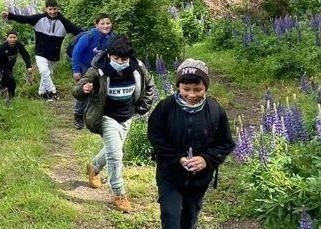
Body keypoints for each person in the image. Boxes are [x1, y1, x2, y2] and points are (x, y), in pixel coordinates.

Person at [72, 37, 156, 213]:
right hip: (106, 117)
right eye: (116, 59)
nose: (120, 62)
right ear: (109, 55)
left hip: (127, 116)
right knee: (116, 155)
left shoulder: (138, 68)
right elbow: (77, 89)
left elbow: (150, 85)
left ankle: (94, 167)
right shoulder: (98, 70)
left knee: (112, 150)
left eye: (123, 60)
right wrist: (84, 89)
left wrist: (143, 106)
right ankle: (119, 193)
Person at [148, 59, 235, 229]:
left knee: (189, 220)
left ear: (206, 88)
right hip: (170, 175)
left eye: (198, 89)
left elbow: (225, 143)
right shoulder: (165, 107)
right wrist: (178, 158)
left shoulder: (215, 111)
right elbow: (156, 136)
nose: (192, 95)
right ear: (178, 87)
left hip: (199, 179)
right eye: (186, 89)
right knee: (171, 217)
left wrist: (206, 159)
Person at [3, 0, 82, 101]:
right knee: (44, 72)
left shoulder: (64, 22)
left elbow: (78, 31)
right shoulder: (38, 19)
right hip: (40, 52)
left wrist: (91, 36)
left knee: (48, 73)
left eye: (54, 9)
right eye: (50, 9)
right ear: (46, 9)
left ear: (57, 9)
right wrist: (10, 16)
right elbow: (24, 19)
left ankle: (41, 93)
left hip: (54, 54)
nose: (52, 12)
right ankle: (53, 93)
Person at [70, 13, 117, 129]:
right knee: (85, 90)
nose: (106, 26)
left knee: (100, 90)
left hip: (101, 67)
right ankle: (78, 115)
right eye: (102, 23)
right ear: (96, 24)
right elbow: (76, 52)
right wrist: (76, 70)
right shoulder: (89, 36)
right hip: (85, 66)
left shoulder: (112, 37)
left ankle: (97, 116)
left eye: (108, 23)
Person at [0, 30, 33, 99]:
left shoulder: (18, 45)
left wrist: (28, 66)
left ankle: (5, 96)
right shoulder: (2, 47)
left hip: (10, 67)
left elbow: (25, 55)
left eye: (14, 37)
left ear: (17, 38)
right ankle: (10, 98)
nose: (12, 39)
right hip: (2, 67)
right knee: (12, 82)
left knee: (7, 84)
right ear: (7, 38)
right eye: (10, 37)